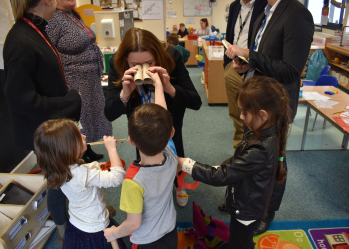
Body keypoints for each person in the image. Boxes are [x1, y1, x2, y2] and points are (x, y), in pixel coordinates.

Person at [224, 0, 314, 234]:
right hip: (256, 97)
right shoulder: (265, 11)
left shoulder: (297, 14)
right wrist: (247, 64)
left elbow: (290, 71)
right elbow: (266, 56)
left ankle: (267, 212)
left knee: (272, 161)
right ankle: (241, 201)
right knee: (248, 151)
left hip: (274, 105)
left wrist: (249, 54)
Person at [177, 76, 291, 249]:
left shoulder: (261, 149)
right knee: (238, 238)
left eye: (244, 112)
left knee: (241, 241)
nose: (241, 116)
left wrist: (185, 163)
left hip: (246, 210)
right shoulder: (263, 132)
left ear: (263, 115)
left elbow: (220, 176)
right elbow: (237, 164)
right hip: (247, 203)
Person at [3, 0, 81, 246]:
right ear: (46, 1)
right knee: (57, 180)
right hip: (42, 129)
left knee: (64, 174)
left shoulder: (35, 30)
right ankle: (62, 228)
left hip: (50, 124)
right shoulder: (21, 40)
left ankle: (75, 217)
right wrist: (68, 103)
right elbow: (19, 99)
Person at [104, 28, 202, 207]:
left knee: (175, 149)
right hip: (139, 124)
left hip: (170, 119)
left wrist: (170, 88)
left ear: (157, 56)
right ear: (125, 60)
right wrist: (124, 94)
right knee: (144, 154)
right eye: (135, 64)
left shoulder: (172, 56)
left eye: (149, 62)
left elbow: (195, 102)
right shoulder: (116, 63)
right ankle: (148, 186)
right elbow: (109, 113)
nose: (143, 69)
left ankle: (179, 183)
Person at [103, 67, 178, 248]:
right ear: (171, 133)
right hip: (170, 230)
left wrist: (113, 232)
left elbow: (133, 224)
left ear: (130, 140)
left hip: (147, 241)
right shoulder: (171, 156)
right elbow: (162, 115)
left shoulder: (133, 181)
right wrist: (158, 85)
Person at [34, 119, 127, 249]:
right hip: (96, 227)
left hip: (77, 223)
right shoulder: (83, 174)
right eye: (79, 136)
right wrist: (112, 150)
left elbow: (81, 173)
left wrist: (94, 166)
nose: (84, 136)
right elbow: (117, 177)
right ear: (68, 148)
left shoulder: (58, 168)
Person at [46, 0, 112, 163]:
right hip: (74, 79)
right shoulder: (53, 19)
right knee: (80, 116)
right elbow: (50, 51)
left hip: (90, 79)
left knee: (90, 114)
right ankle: (79, 154)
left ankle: (87, 148)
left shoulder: (72, 14)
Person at [223, 0, 267, 150]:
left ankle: (253, 153)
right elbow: (230, 35)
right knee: (236, 114)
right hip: (233, 67)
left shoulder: (266, 4)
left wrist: (253, 60)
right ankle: (239, 152)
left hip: (254, 68)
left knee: (254, 117)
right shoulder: (235, 6)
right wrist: (227, 64)